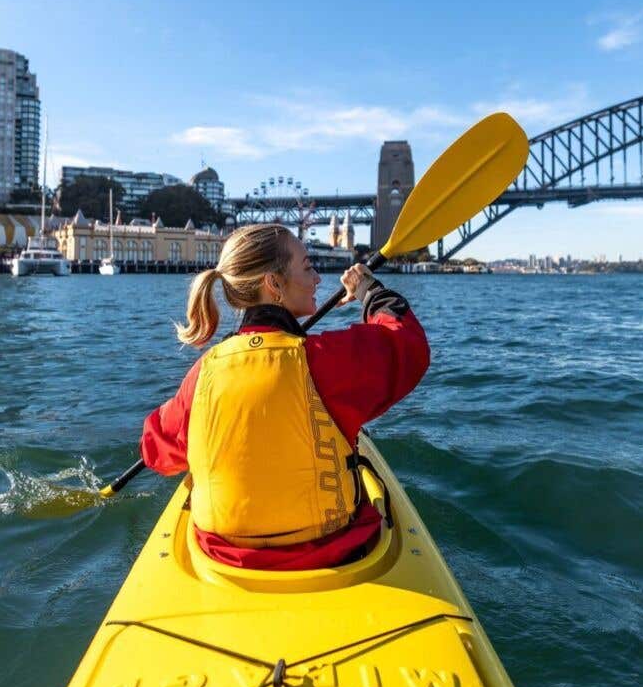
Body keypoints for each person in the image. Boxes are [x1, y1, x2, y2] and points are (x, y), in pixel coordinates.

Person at [140, 224, 430, 570]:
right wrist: (370, 290)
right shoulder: (324, 362)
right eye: (308, 267)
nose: (319, 279)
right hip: (334, 556)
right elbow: (407, 345)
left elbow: (155, 451)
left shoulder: (203, 373)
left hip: (224, 564)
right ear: (273, 284)